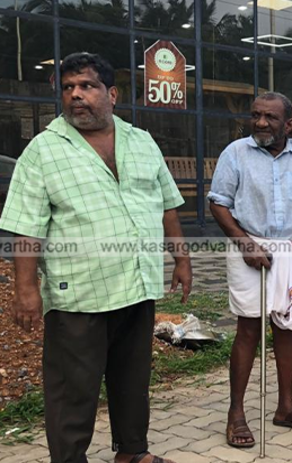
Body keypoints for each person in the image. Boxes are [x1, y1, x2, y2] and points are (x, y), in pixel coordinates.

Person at [0, 52, 191, 463]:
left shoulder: (141, 141)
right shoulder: (43, 151)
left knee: (132, 379)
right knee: (74, 388)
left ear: (112, 94)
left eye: (86, 86)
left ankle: (132, 453)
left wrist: (182, 259)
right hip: (79, 293)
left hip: (136, 284)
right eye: (68, 87)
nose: (76, 95)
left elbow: (167, 206)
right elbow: (25, 226)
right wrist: (26, 290)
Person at [209, 92, 292, 444]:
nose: (260, 122)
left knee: (287, 327)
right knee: (248, 329)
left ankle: (286, 407)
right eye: (256, 115)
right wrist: (245, 244)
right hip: (249, 246)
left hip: (291, 248)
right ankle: (236, 414)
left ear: (288, 123)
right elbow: (219, 203)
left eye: (270, 117)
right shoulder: (236, 152)